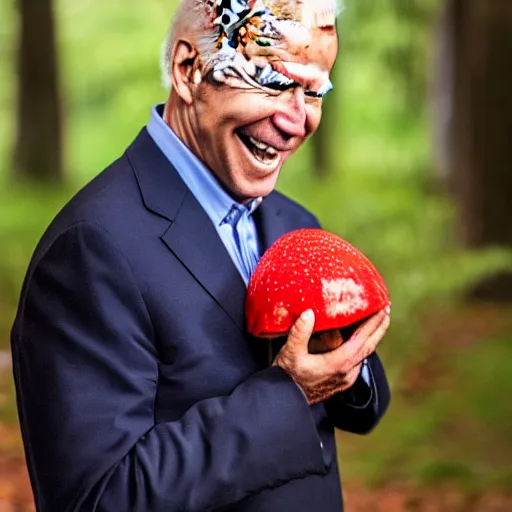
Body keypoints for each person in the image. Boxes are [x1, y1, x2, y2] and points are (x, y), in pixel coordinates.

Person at [11, 0, 391, 510]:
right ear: (189, 69)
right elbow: (99, 497)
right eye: (276, 83)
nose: (298, 120)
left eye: (314, 91)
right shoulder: (89, 249)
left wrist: (347, 359)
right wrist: (289, 392)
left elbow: (358, 412)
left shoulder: (294, 223)